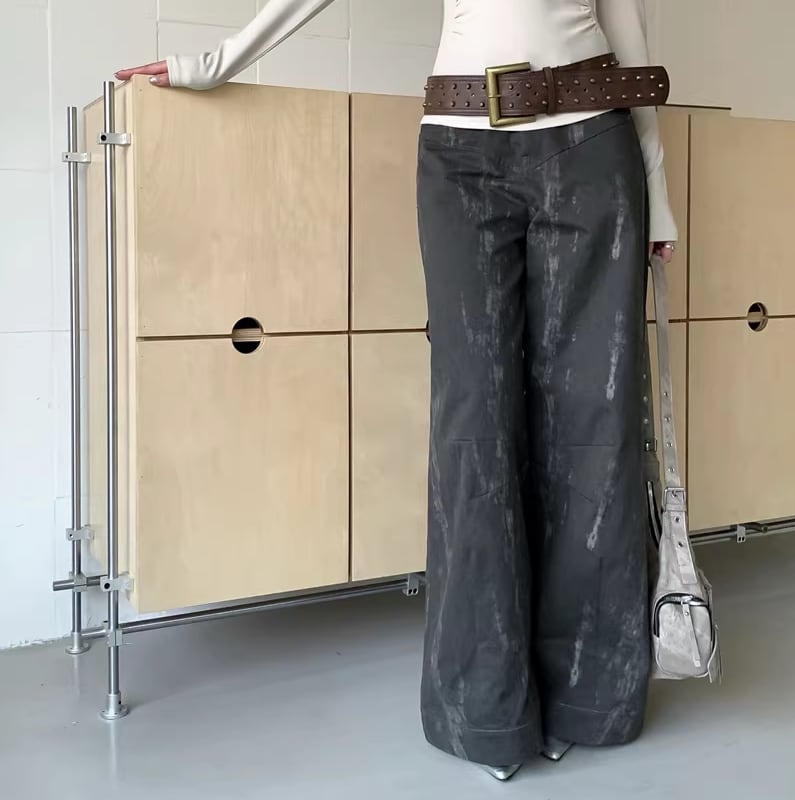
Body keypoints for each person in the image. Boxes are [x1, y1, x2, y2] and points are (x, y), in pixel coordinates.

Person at [118, 0, 677, 782]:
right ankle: (487, 708)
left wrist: (658, 192)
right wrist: (209, 64)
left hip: (590, 144)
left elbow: (626, 34)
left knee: (592, 420)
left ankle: (587, 697)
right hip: (459, 151)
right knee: (473, 428)